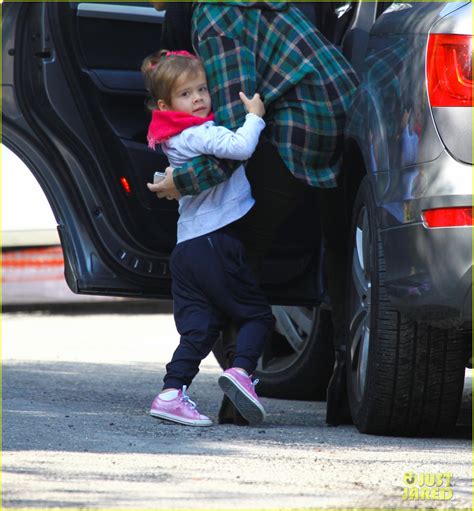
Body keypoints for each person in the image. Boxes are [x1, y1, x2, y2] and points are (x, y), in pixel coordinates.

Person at [149, 2, 359, 426]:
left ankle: (238, 388)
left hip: (305, 122)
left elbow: (230, 124)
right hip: (345, 113)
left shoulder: (214, 16)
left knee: (233, 254)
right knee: (341, 246)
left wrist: (181, 184)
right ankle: (346, 387)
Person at [142, 49, 275, 427]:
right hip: (216, 242)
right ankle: (242, 372)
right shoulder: (200, 132)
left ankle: (171, 392)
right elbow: (241, 148)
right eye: (187, 94)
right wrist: (255, 117)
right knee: (257, 315)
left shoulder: (170, 139)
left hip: (187, 250)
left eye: (202, 89)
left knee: (199, 329)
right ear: (168, 104)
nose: (199, 98)